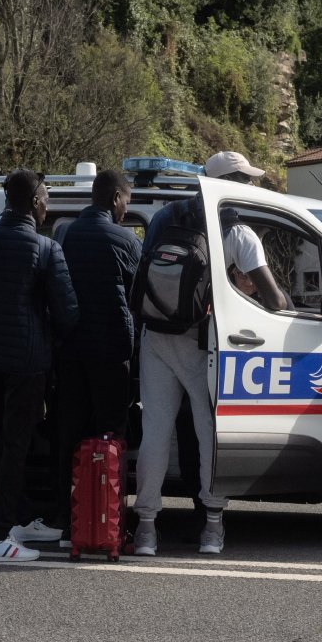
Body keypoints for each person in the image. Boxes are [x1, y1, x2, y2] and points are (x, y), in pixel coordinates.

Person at [130, 150, 283, 557]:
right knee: (208, 433)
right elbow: (274, 297)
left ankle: (146, 529)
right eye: (245, 180)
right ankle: (212, 527)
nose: (251, 187)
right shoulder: (238, 232)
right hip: (205, 343)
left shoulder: (166, 217)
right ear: (228, 184)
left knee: (155, 435)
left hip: (157, 338)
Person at [0, 169, 78, 563]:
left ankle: (3, 520)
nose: (48, 204)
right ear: (34, 203)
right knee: (17, 447)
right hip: (28, 361)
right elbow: (68, 311)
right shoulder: (47, 249)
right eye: (47, 198)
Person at [54, 168, 141, 531]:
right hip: (110, 353)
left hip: (70, 352)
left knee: (69, 434)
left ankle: (66, 518)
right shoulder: (124, 240)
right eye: (126, 203)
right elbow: (142, 294)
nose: (125, 211)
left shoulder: (64, 236)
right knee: (111, 435)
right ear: (115, 199)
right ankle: (109, 517)